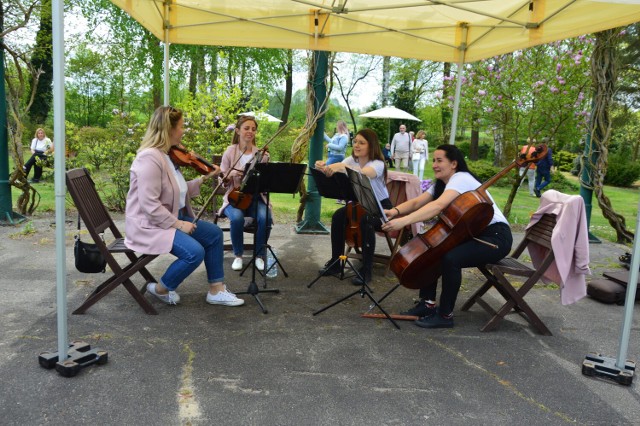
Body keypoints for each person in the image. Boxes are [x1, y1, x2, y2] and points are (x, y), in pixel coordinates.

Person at [381, 144, 512, 328]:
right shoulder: (443, 183)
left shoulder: (461, 178)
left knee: (451, 258)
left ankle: (445, 316)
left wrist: (404, 221)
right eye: (433, 160)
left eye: (439, 160)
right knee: (435, 252)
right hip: (475, 235)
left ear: (453, 164)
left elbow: (438, 206)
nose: (434, 164)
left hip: (495, 237)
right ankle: (427, 304)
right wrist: (394, 211)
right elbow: (418, 202)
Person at [124, 106, 244, 307]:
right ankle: (161, 289)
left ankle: (216, 290)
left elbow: (175, 189)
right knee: (194, 252)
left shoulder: (166, 156)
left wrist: (205, 178)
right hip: (149, 225)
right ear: (168, 129)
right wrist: (179, 224)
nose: (183, 130)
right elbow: (149, 205)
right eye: (181, 126)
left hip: (167, 218)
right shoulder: (149, 158)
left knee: (214, 234)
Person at [315, 129, 392, 286]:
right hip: (359, 205)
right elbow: (338, 166)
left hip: (381, 207)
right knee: (338, 216)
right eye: (355, 141)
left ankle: (367, 270)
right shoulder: (352, 160)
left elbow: (362, 174)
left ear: (372, 146)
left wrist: (340, 168)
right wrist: (323, 167)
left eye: (362, 143)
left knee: (367, 221)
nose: (357, 145)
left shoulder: (377, 164)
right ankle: (336, 263)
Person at [219, 115, 272, 272]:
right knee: (236, 217)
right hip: (234, 198)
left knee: (266, 217)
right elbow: (221, 181)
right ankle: (238, 255)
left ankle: (259, 255)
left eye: (253, 129)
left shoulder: (260, 154)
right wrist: (229, 176)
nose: (250, 132)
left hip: (255, 198)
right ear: (238, 130)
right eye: (246, 128)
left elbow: (265, 182)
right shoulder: (230, 151)